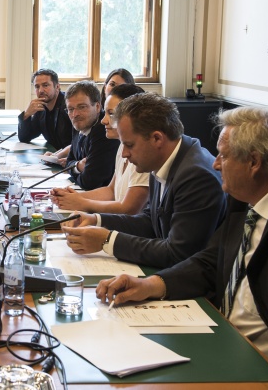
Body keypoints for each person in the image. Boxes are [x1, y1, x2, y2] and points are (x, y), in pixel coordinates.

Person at [95, 107, 268, 384]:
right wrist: (151, 284)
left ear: (254, 162)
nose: (215, 164)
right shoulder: (246, 199)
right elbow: (211, 261)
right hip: (225, 343)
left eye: (224, 155)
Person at [63, 92, 225, 268]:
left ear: (157, 138)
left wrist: (108, 241)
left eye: (129, 145)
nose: (124, 153)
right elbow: (151, 222)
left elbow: (178, 254)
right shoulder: (162, 159)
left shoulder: (196, 176)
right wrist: (96, 220)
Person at [51, 83, 149, 215]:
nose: (103, 121)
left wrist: (82, 203)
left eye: (111, 114)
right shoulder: (122, 145)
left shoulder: (145, 153)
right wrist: (72, 197)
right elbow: (111, 191)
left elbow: (129, 209)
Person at [61, 80, 118, 190]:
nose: (75, 114)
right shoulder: (79, 124)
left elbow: (90, 182)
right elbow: (69, 161)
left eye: (82, 107)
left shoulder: (105, 131)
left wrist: (73, 167)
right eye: (70, 109)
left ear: (97, 107)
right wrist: (78, 166)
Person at [17, 69, 73, 150]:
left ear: (57, 86)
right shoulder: (41, 107)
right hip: (53, 156)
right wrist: (26, 115)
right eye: (37, 86)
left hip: (70, 158)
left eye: (45, 85)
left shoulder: (69, 106)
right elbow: (25, 138)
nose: (41, 90)